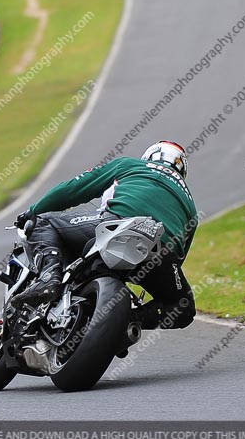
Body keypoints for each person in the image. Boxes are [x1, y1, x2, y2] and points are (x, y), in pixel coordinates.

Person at [13, 141, 199, 329]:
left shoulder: (130, 165)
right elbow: (179, 255)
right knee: (183, 307)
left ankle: (48, 279)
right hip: (160, 252)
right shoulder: (191, 205)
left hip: (116, 223)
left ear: (150, 156)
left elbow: (72, 190)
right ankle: (127, 323)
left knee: (43, 222)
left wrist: (32, 211)